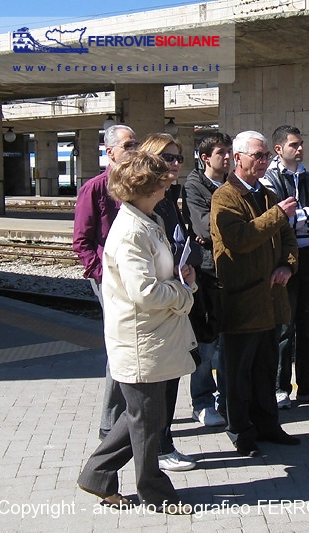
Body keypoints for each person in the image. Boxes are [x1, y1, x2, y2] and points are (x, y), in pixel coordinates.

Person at [77, 151, 197, 514]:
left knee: (144, 416)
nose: (168, 184)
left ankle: (97, 474)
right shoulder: (131, 230)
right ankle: (155, 491)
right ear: (148, 187)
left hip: (151, 335)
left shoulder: (145, 218)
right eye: (163, 180)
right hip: (141, 338)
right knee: (147, 420)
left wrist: (177, 276)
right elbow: (144, 292)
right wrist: (184, 292)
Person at [210, 130, 300, 456]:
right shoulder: (225, 197)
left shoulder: (266, 193)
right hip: (243, 301)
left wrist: (287, 267)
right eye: (258, 156)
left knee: (266, 369)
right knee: (238, 374)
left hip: (271, 301)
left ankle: (268, 425)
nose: (264, 162)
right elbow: (241, 239)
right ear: (238, 159)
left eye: (266, 157)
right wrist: (278, 215)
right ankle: (240, 431)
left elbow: (289, 239)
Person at [139, 133, 201, 472]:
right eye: (168, 157)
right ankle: (155, 448)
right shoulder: (145, 202)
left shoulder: (173, 196)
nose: (176, 163)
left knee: (172, 375)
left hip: (175, 292)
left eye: (179, 157)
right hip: (158, 302)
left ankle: (162, 441)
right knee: (155, 384)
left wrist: (187, 265)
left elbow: (181, 239)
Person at [72, 124, 137, 441]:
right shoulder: (95, 188)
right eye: (128, 145)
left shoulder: (136, 186)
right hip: (109, 280)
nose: (134, 149)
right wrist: (100, 274)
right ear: (109, 151)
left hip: (136, 276)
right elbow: (82, 242)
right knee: (121, 346)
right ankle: (111, 422)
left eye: (135, 144)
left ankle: (133, 411)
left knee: (133, 345)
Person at [261, 125, 309, 409]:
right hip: (283, 261)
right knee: (284, 328)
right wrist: (304, 215)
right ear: (279, 149)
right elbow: (277, 220)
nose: (299, 149)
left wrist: (298, 215)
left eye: (301, 143)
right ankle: (280, 388)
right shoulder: (269, 180)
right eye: (294, 145)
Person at [182, 132, 232, 427]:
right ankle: (201, 400)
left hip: (232, 270)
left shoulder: (233, 183)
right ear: (205, 158)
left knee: (227, 341)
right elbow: (204, 226)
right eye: (221, 153)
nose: (227, 157)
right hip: (207, 271)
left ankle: (225, 398)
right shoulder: (194, 185)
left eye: (229, 151)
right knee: (207, 341)